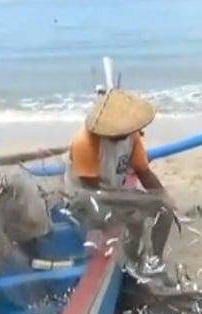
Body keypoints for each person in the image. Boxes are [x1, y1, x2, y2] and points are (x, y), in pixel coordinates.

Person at [64, 89, 175, 268]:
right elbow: (93, 190)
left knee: (165, 210)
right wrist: (132, 204)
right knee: (135, 218)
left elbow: (143, 172)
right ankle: (130, 261)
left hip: (113, 191)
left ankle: (154, 262)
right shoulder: (84, 143)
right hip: (86, 197)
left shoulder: (132, 137)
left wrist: (163, 196)